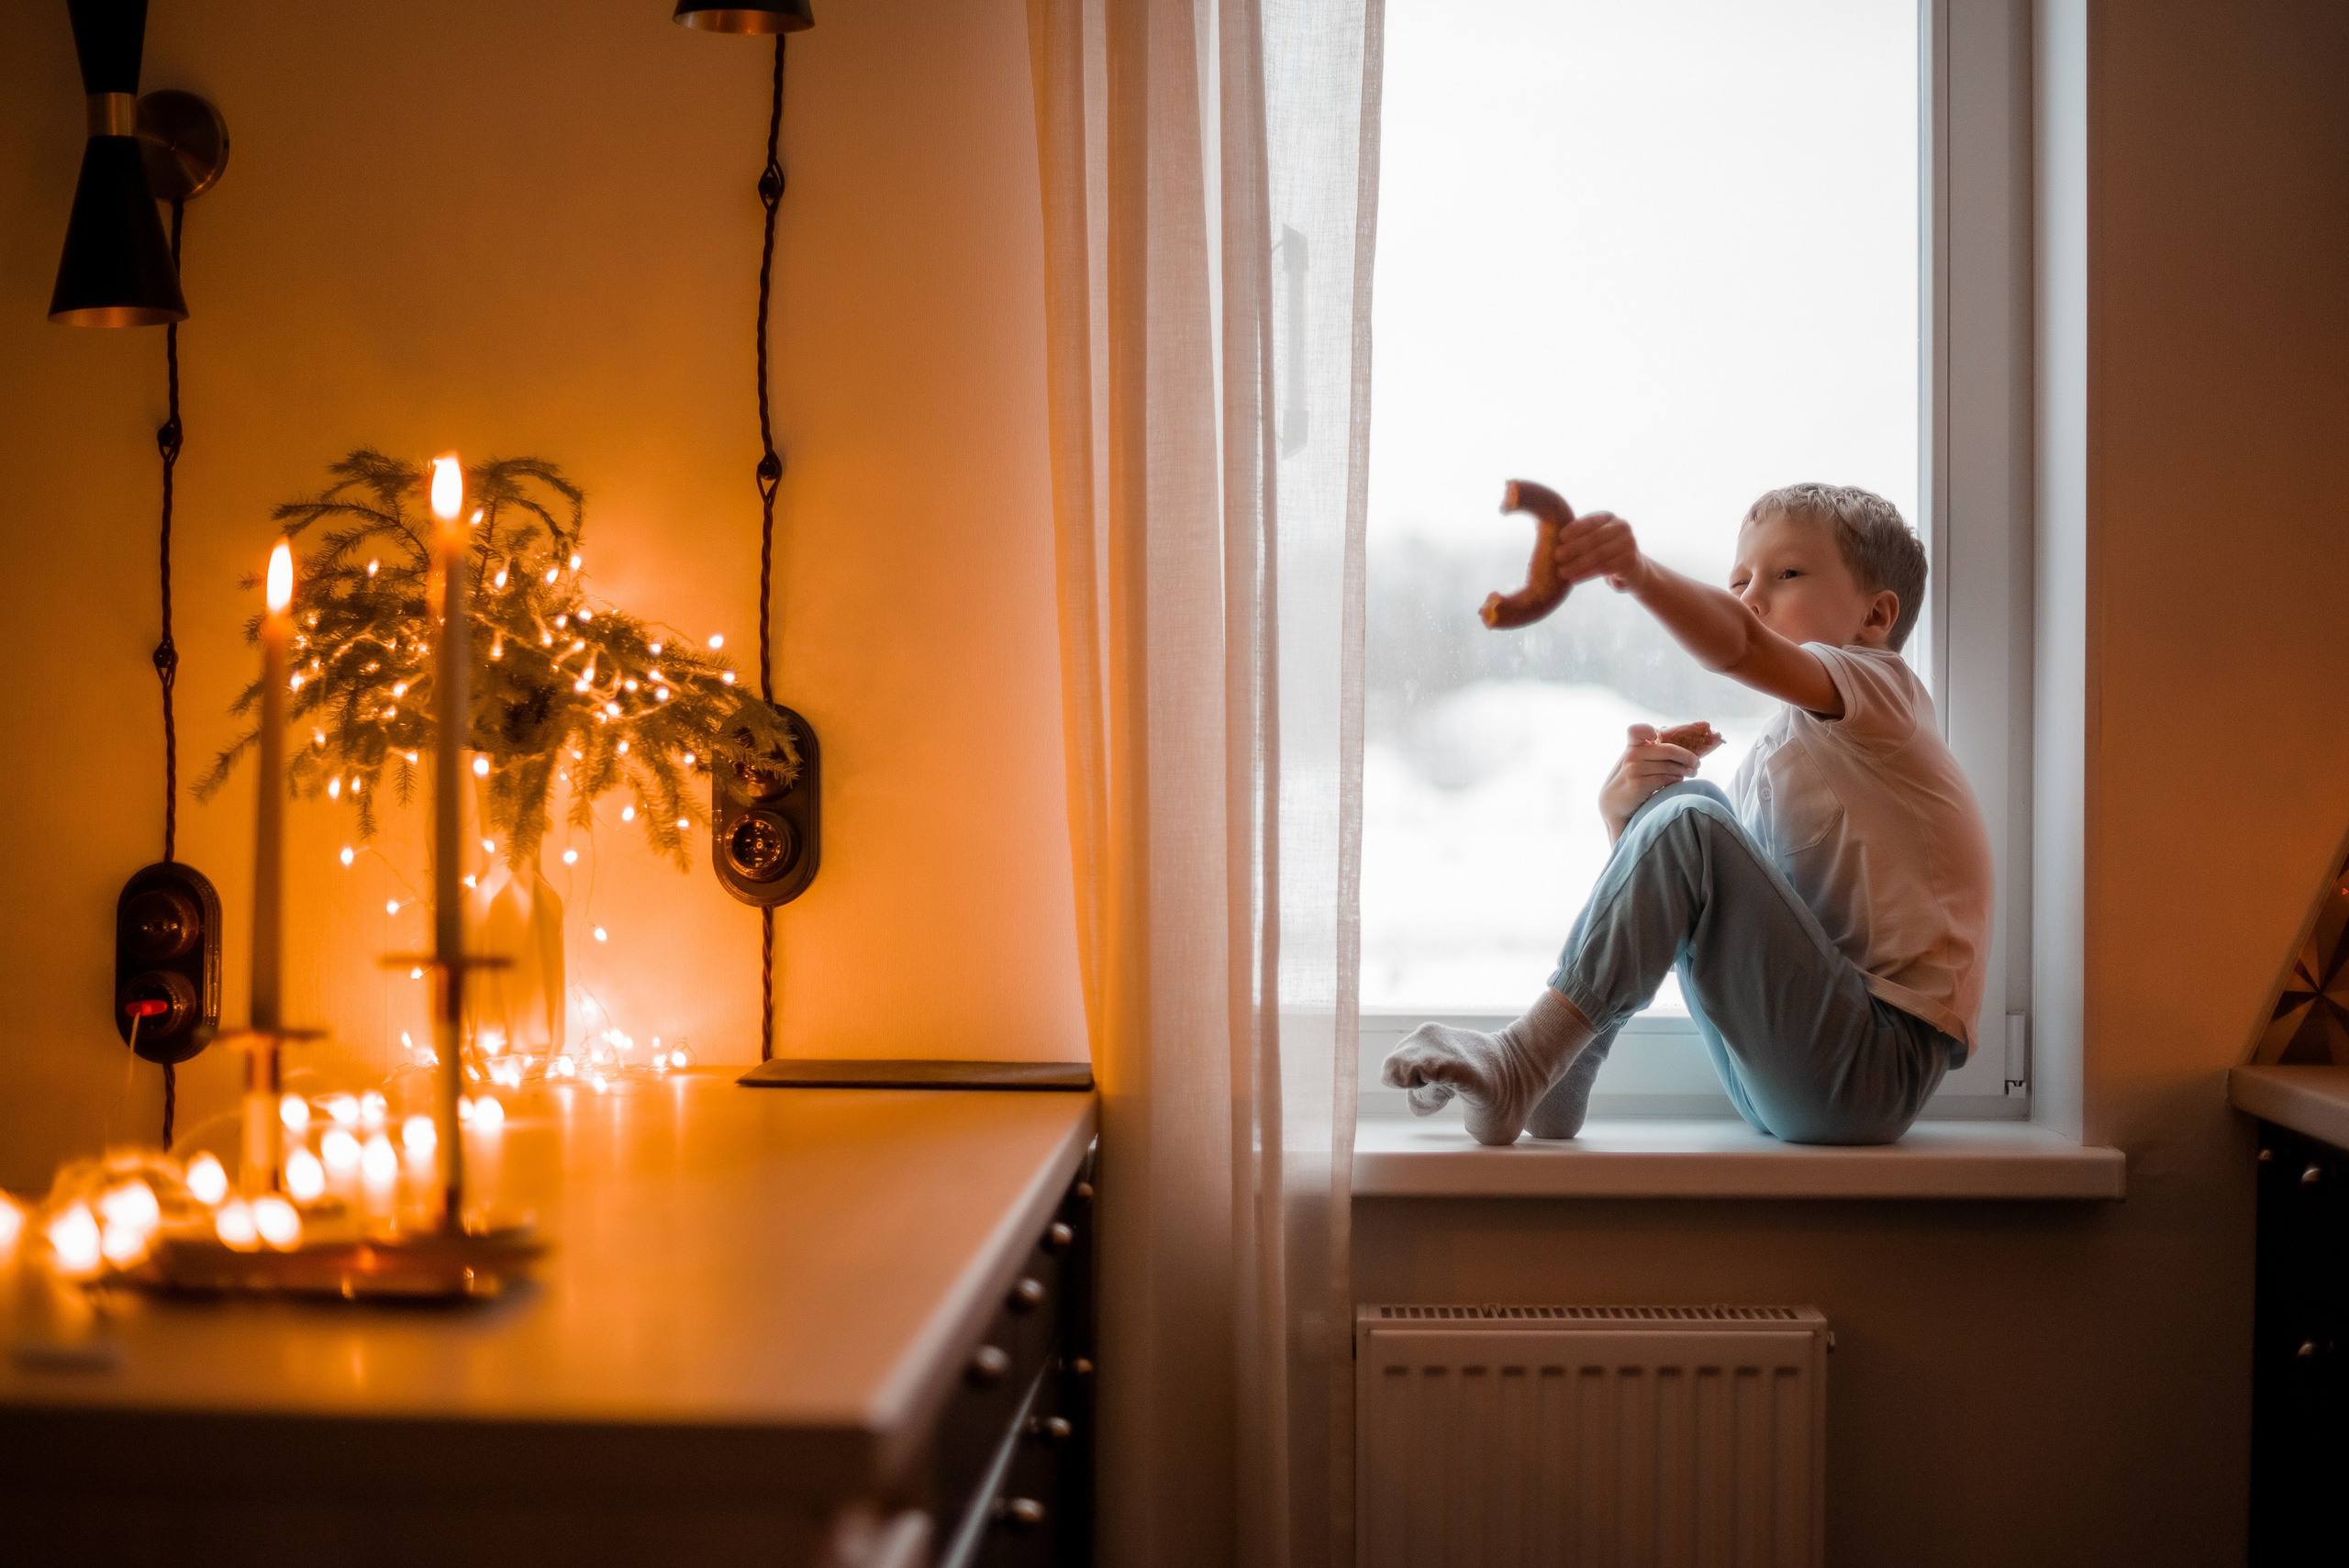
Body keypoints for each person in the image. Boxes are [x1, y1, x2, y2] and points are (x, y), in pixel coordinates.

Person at [1382, 483, 1993, 1146]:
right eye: (1738, 581)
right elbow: (1697, 917)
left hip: (1875, 1065)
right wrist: (1625, 820)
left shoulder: (1883, 689)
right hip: (1790, 1071)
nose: (1752, 596)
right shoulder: (1781, 755)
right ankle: (1558, 1073)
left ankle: (1524, 1060)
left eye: (1785, 575)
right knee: (1686, 807)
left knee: (1692, 823)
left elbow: (1742, 646)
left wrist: (1641, 574)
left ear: (1875, 617)